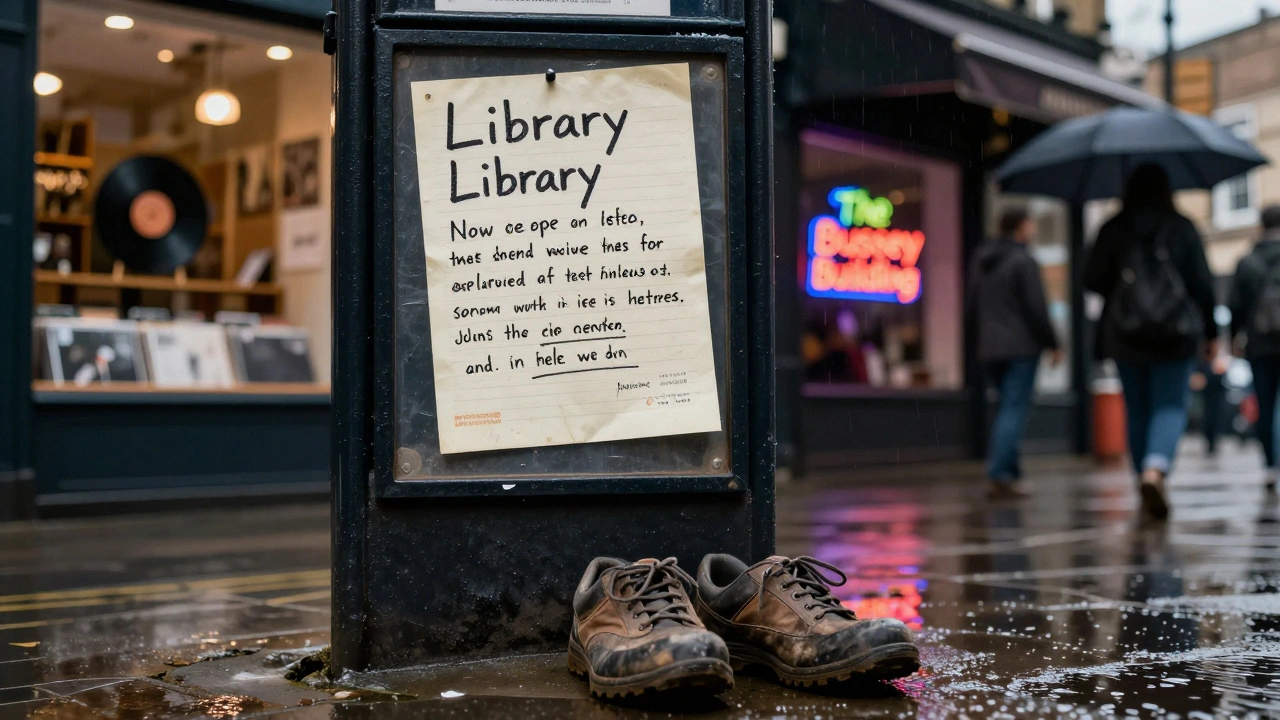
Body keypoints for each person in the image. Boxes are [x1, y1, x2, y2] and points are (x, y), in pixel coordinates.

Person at [1085, 164, 1217, 520]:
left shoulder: (1113, 228)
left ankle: (1142, 478)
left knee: (1138, 408)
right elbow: (1202, 284)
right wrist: (1212, 334)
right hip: (1175, 333)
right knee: (1170, 404)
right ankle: (1154, 470)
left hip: (1125, 334)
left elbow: (1092, 280)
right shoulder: (1181, 227)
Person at [967, 208, 1062, 499]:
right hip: (1021, 346)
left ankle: (1009, 472)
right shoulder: (1023, 261)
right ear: (1022, 227)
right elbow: (1036, 308)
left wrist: (976, 342)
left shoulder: (982, 261)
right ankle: (1001, 474)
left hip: (990, 347)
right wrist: (1053, 342)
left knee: (1006, 408)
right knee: (1014, 409)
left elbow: (971, 306)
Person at [1226, 205, 1280, 494]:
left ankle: (1271, 465)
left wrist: (1234, 337)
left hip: (1260, 345)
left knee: (1266, 402)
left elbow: (1236, 306)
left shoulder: (1249, 261)